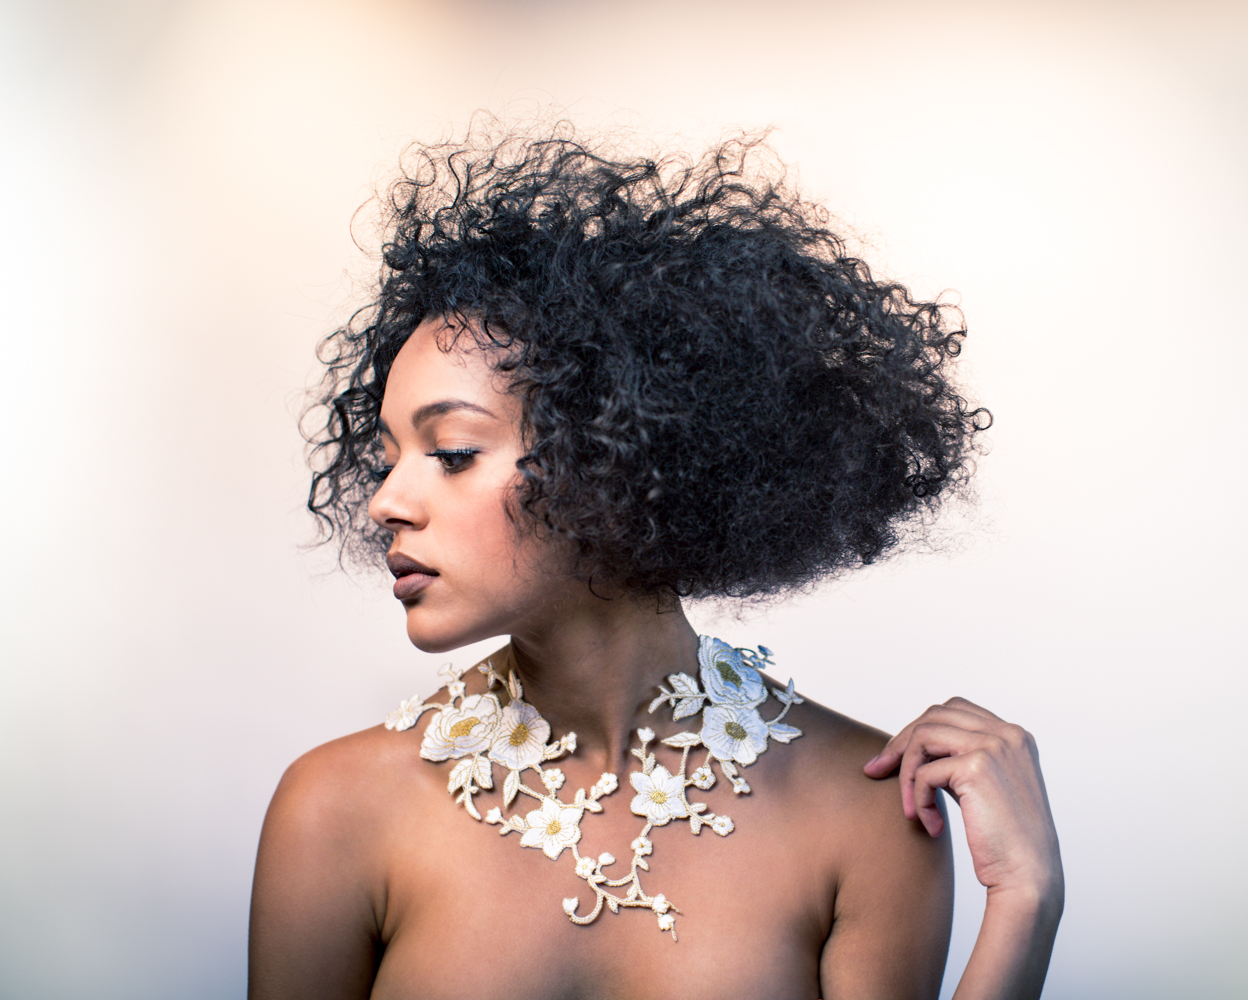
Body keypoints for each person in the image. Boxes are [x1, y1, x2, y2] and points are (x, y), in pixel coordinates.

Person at [248, 125, 1063, 1000]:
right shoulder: (336, 811)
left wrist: (1024, 903)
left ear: (614, 456)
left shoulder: (866, 812)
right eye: (386, 459)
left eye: (451, 452)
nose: (385, 502)